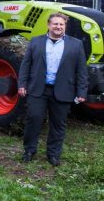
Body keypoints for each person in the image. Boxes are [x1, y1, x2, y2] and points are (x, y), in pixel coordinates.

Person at [18, 12, 87, 166]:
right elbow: (26, 65)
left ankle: (53, 154)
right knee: (33, 119)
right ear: (48, 25)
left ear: (65, 26)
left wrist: (82, 92)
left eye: (61, 24)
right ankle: (29, 150)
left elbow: (81, 70)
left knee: (58, 124)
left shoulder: (76, 45)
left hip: (63, 90)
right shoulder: (36, 42)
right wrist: (22, 84)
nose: (58, 27)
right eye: (55, 23)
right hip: (38, 89)